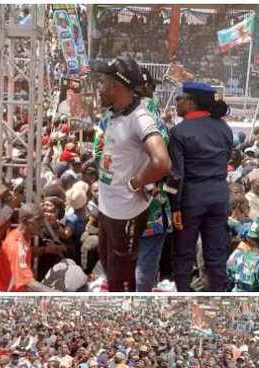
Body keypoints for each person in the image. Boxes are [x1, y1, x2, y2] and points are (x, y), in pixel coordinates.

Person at [92, 57, 172, 291]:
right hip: (108, 209)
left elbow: (162, 162)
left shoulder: (141, 117)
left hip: (125, 215)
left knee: (122, 282)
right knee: (109, 269)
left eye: (103, 83)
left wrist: (136, 183)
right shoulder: (113, 115)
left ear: (116, 86)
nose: (99, 88)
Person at [169, 81, 234, 291]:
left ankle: (183, 296)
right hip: (219, 196)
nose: (176, 103)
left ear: (190, 102)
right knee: (216, 254)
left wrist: (175, 206)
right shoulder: (224, 127)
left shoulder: (179, 132)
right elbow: (227, 158)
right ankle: (217, 294)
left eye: (179, 99)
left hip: (191, 199)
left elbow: (176, 175)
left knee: (184, 254)